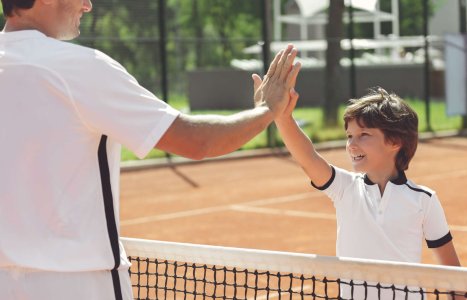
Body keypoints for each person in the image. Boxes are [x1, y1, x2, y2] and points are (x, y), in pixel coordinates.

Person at [0, 0, 300, 299]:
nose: (88, 5)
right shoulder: (80, 66)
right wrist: (266, 110)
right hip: (79, 286)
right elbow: (197, 141)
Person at [271, 86, 464, 299]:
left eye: (363, 135)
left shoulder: (424, 199)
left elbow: (453, 273)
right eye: (349, 136)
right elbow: (308, 158)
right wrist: (282, 117)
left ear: (395, 142)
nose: (352, 145)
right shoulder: (345, 188)